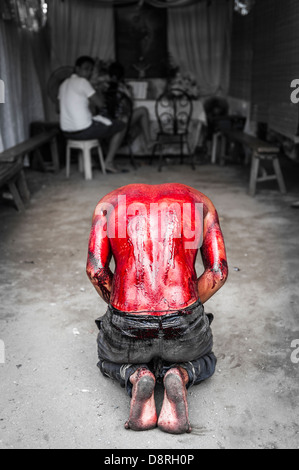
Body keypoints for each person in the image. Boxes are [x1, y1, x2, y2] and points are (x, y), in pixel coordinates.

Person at [86, 183, 228, 434]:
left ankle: (136, 375)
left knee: (104, 359)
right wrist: (190, 308)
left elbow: (96, 271)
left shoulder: (108, 203)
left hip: (127, 321)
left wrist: (121, 308)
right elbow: (218, 272)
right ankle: (180, 373)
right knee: (208, 360)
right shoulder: (200, 203)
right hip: (183, 324)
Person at [58, 56, 127, 174]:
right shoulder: (83, 82)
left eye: (91, 70)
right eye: (86, 69)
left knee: (97, 123)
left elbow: (57, 109)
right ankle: (108, 162)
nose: (89, 72)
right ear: (77, 69)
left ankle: (90, 160)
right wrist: (96, 88)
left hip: (66, 132)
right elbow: (100, 104)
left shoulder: (63, 84)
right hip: (83, 131)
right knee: (121, 125)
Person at [107, 61, 154, 152]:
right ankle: (148, 142)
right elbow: (129, 106)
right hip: (119, 119)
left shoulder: (104, 86)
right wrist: (129, 93)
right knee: (143, 110)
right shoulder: (123, 88)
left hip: (107, 120)